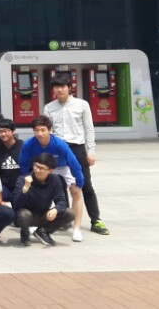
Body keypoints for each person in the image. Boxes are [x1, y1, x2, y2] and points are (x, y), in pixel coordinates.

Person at [43, 73, 108, 238]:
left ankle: (96, 220)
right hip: (58, 148)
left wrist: (91, 152)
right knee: (60, 185)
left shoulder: (82, 105)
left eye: (62, 86)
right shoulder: (49, 108)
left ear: (69, 87)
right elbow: (47, 131)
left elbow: (89, 128)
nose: (59, 90)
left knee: (85, 185)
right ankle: (65, 218)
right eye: (56, 87)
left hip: (77, 147)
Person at [19, 115, 87, 243]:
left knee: (77, 192)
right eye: (37, 130)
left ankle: (77, 228)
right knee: (34, 191)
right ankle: (35, 222)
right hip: (40, 168)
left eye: (43, 130)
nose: (40, 133)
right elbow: (23, 164)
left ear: (50, 130)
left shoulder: (59, 144)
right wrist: (27, 178)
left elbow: (74, 163)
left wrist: (79, 183)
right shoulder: (29, 144)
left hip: (61, 167)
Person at [12, 152, 75, 246]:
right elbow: (16, 204)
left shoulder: (55, 179)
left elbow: (62, 200)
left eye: (41, 168)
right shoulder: (23, 179)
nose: (37, 170)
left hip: (44, 214)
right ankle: (25, 235)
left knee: (70, 213)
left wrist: (56, 210)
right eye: (36, 166)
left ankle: (43, 231)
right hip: (26, 216)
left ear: (50, 170)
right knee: (24, 214)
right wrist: (25, 189)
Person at [0, 119, 23, 201]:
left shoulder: (23, 146)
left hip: (22, 185)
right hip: (4, 187)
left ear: (13, 131)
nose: (3, 134)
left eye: (6, 131)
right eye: (0, 131)